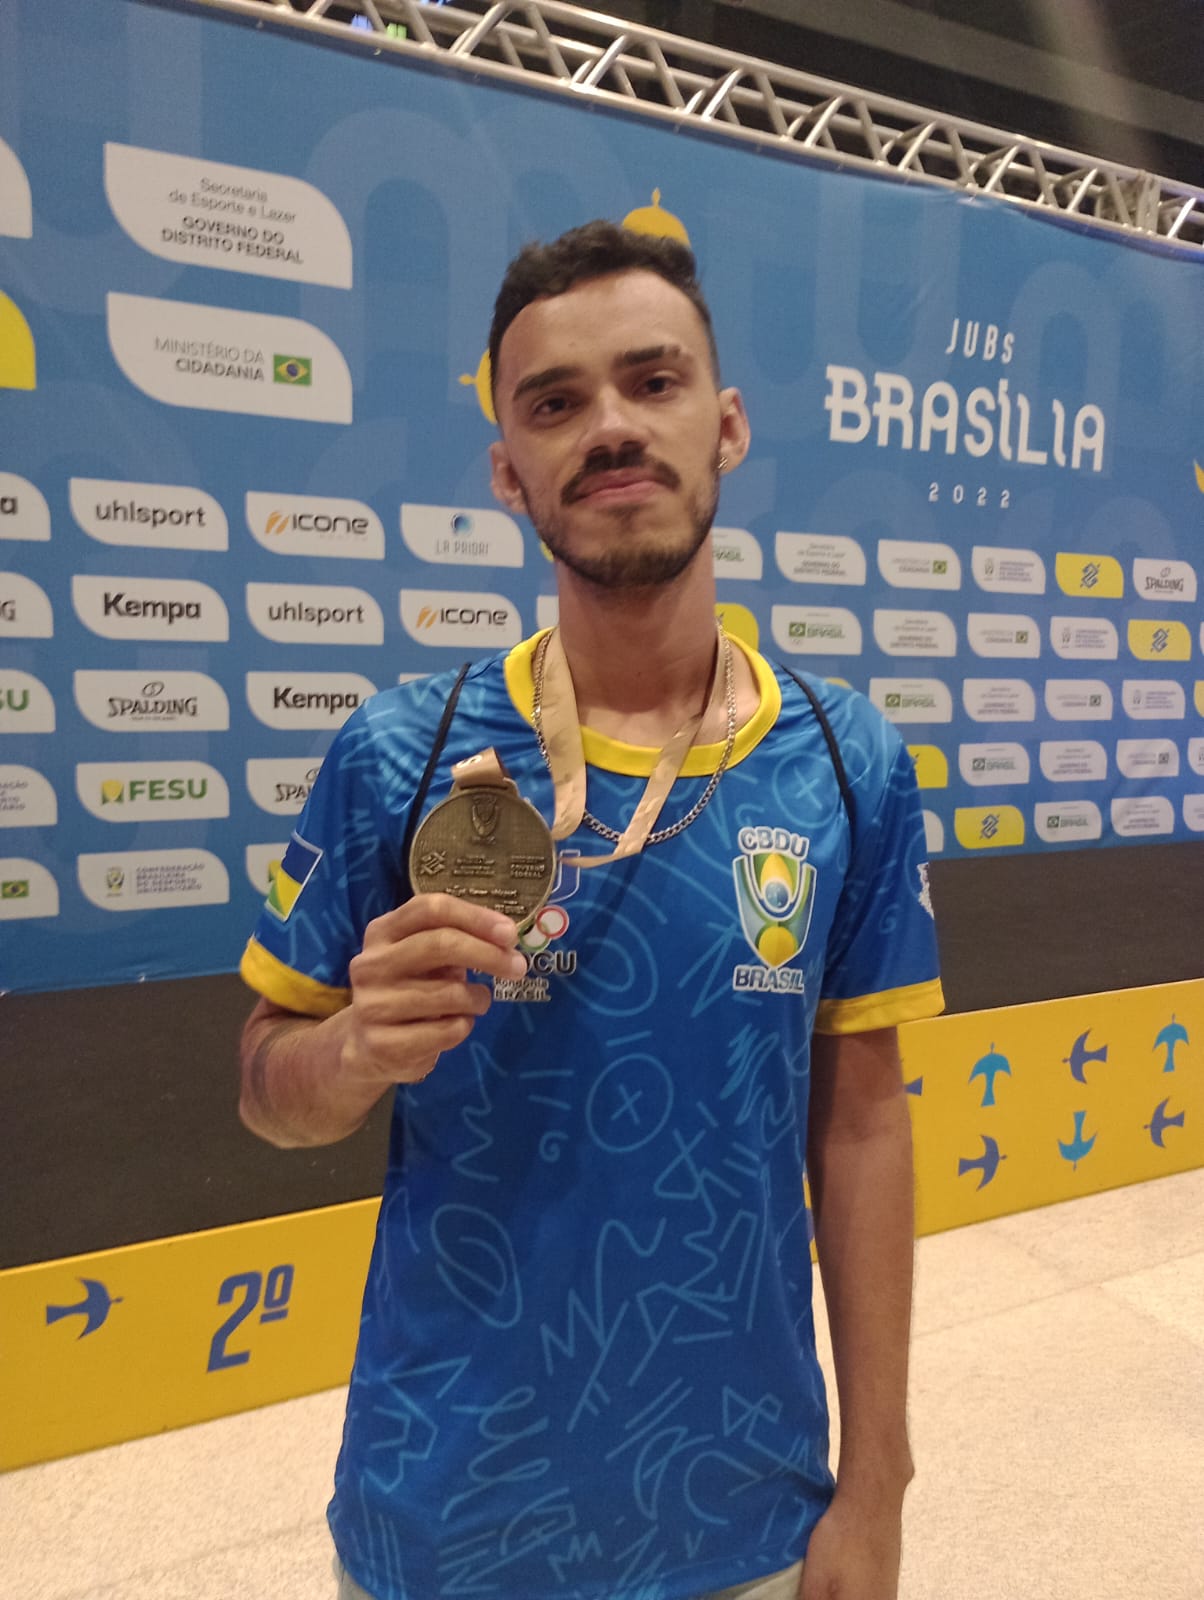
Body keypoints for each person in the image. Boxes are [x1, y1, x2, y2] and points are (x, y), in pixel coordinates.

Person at [239, 220, 944, 1600]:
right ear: (510, 470)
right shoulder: (401, 753)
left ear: (725, 425)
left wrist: (878, 1486)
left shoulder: (846, 760)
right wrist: (354, 1052)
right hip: (443, 1521)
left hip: (745, 1517)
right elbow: (271, 1095)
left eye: (653, 381)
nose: (611, 426)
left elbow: (864, 1127)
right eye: (556, 403)